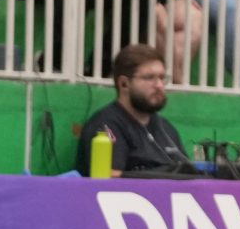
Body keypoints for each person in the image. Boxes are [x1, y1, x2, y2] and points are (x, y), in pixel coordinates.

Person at [76, 44, 190, 177]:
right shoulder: (106, 125)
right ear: (124, 84)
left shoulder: (166, 128)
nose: (159, 85)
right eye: (149, 78)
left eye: (162, 78)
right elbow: (109, 176)